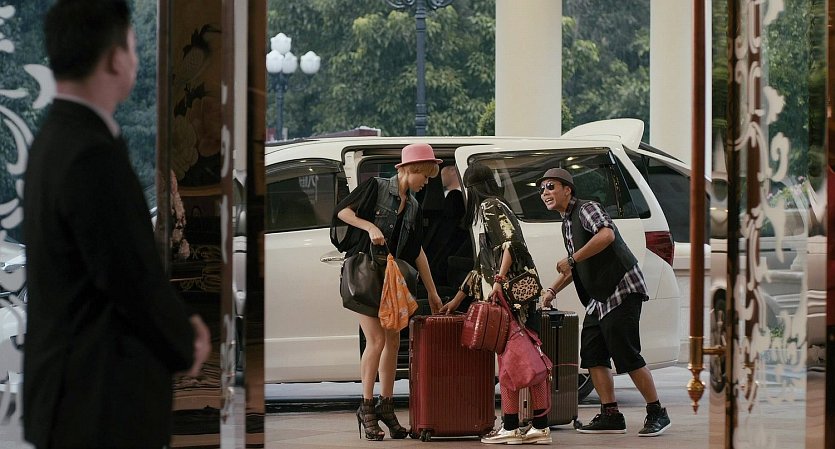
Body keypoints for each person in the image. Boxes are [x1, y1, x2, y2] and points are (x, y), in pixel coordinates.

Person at [22, 1, 211, 447]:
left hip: (67, 396)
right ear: (113, 58)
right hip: (97, 403)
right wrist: (185, 339)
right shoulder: (91, 153)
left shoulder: (53, 140)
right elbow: (129, 275)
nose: (136, 59)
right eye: (132, 46)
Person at [537, 167, 672, 437]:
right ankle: (611, 414)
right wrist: (552, 289)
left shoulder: (586, 209)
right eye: (541, 189)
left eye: (551, 186)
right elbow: (576, 265)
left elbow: (606, 234)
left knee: (626, 353)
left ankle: (657, 411)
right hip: (600, 297)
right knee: (592, 354)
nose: (545, 193)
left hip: (621, 287)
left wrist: (572, 259)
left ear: (568, 190)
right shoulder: (567, 223)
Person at [331, 143, 444, 440]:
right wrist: (369, 227)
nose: (426, 182)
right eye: (425, 176)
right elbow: (342, 212)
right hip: (364, 276)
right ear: (411, 170)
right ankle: (366, 406)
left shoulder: (414, 206)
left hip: (389, 282)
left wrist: (432, 292)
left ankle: (387, 406)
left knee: (393, 340)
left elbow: (417, 251)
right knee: (377, 339)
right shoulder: (376, 187)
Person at [440, 163, 552, 445]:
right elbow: (481, 267)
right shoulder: (489, 209)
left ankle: (521, 426)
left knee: (518, 361)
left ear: (471, 187)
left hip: (513, 300)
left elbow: (510, 244)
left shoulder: (491, 206)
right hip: (511, 299)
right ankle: (530, 426)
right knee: (517, 361)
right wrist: (456, 301)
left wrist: (500, 280)